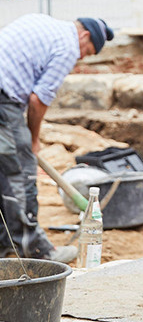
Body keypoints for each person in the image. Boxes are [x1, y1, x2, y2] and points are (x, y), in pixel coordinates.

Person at [0, 15, 114, 263]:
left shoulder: (44, 24)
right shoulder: (68, 46)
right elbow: (38, 100)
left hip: (5, 93)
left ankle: (5, 244)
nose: (81, 58)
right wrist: (33, 139)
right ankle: (34, 249)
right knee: (21, 172)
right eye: (87, 51)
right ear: (84, 36)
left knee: (3, 171)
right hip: (4, 96)